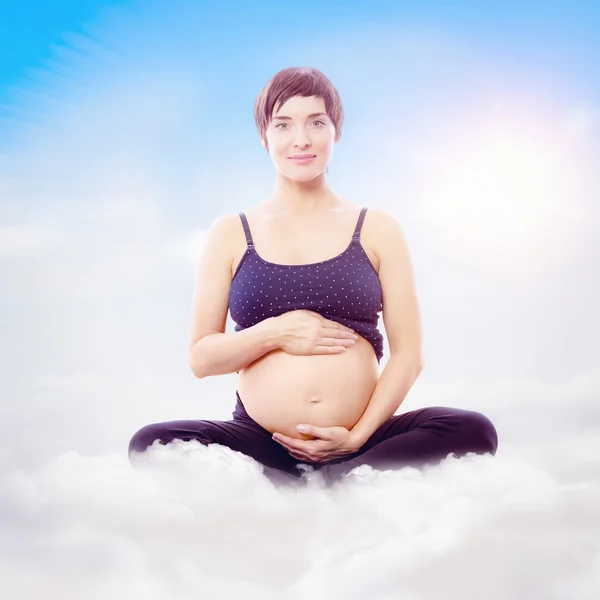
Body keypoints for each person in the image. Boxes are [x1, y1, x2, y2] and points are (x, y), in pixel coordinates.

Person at [128, 66, 498, 486]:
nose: (300, 139)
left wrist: (357, 436)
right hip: (262, 439)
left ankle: (328, 478)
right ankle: (330, 484)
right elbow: (201, 357)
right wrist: (276, 333)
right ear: (263, 136)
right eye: (283, 124)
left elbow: (409, 355)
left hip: (362, 438)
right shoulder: (230, 233)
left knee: (473, 430)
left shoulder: (377, 228)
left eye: (316, 122)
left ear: (335, 131)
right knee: (151, 443)